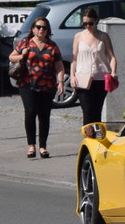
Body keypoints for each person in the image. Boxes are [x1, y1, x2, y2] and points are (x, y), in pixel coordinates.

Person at [9, 17, 65, 159]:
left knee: (44, 115)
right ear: (33, 29)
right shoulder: (25, 43)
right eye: (38, 27)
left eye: (44, 28)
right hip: (27, 84)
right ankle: (31, 145)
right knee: (30, 112)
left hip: (47, 85)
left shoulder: (52, 46)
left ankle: (43, 146)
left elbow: (59, 65)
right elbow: (11, 57)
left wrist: (61, 82)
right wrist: (22, 55)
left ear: (48, 30)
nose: (41, 30)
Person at [70, 8, 118, 125]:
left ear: (96, 21)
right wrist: (72, 76)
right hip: (83, 78)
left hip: (100, 78)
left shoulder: (103, 36)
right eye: (85, 23)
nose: (87, 26)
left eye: (90, 23)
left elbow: (112, 56)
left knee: (97, 111)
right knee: (87, 110)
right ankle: (88, 138)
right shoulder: (78, 36)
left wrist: (113, 72)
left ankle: (96, 139)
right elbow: (74, 59)